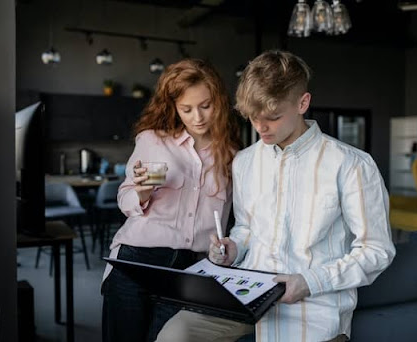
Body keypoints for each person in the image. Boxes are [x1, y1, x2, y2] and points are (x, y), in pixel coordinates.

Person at [156, 50, 396, 342]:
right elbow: (245, 228)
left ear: (302, 103)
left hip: (313, 303)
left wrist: (309, 282)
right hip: (245, 295)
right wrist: (233, 249)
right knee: (175, 334)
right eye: (253, 118)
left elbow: (377, 250)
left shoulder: (352, 164)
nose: (260, 128)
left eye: (272, 117)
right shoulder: (244, 161)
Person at [101, 58, 241, 342]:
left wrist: (224, 250)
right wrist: (140, 193)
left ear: (219, 102)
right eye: (186, 109)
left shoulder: (230, 154)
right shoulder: (154, 141)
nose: (197, 117)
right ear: (173, 107)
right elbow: (126, 198)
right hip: (137, 261)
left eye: (206, 106)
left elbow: (229, 222)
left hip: (190, 272)